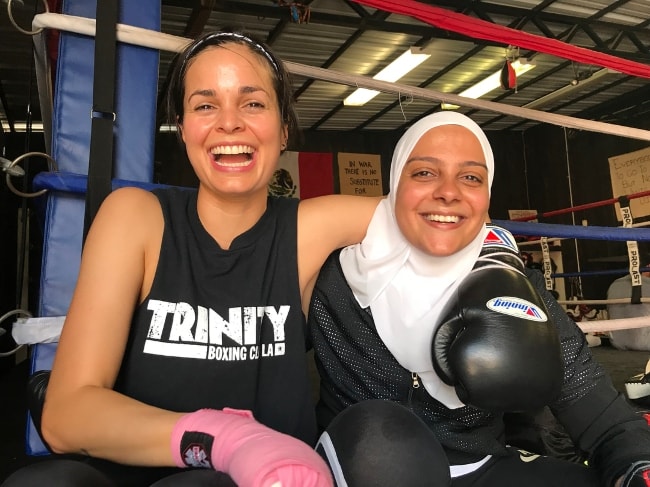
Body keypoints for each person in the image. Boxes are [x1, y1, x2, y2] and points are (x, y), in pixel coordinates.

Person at [2, 29, 381, 487]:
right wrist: (221, 438)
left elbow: (439, 214)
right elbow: (65, 415)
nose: (229, 123)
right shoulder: (136, 218)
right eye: (205, 105)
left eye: (253, 103)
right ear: (183, 130)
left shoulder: (309, 227)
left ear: (283, 130)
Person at [308, 112, 650, 487]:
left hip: (482, 471)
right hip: (362, 473)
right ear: (393, 184)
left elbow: (603, 415)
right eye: (424, 172)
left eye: (471, 177)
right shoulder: (331, 280)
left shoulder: (517, 286)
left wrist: (637, 468)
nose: (449, 192)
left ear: (486, 198)